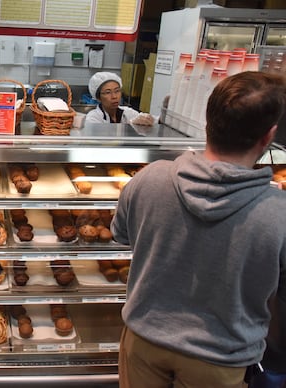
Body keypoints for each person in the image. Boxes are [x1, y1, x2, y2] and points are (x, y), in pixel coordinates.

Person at [110, 71, 286, 388]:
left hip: (145, 341)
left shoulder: (149, 179)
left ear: (207, 121)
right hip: (221, 357)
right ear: (268, 136)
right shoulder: (279, 212)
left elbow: (121, 235)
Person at [85, 71, 156, 125]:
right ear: (98, 98)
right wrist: (130, 125)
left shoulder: (128, 112)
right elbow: (105, 139)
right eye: (108, 92)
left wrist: (163, 112)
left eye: (117, 91)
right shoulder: (93, 118)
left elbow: (154, 121)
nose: (114, 96)